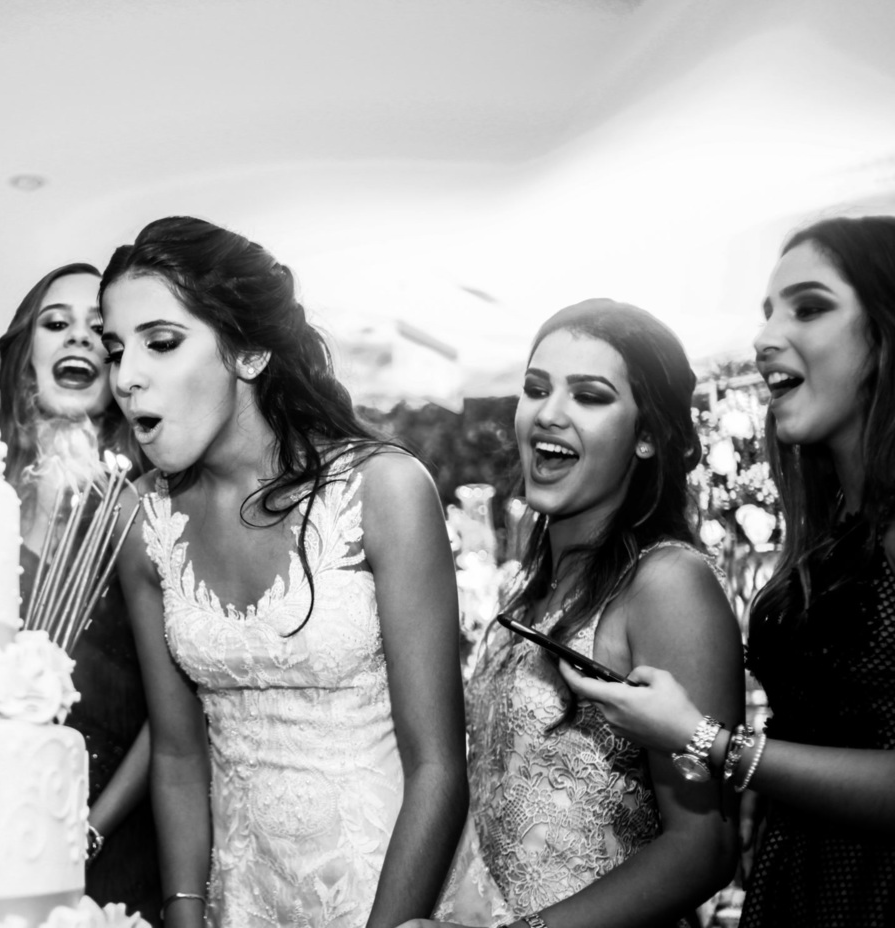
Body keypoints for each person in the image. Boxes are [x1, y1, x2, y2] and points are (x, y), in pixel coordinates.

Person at [98, 217, 481, 928]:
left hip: (393, 892)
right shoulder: (143, 524)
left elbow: (439, 766)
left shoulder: (385, 490)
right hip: (243, 898)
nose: (125, 377)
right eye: (116, 350)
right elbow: (178, 756)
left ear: (248, 352)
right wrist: (188, 914)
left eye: (162, 342)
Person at [562, 217, 895, 927]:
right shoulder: (839, 528)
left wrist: (704, 739)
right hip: (805, 882)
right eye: (768, 312)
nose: (766, 337)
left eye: (809, 308)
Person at [417, 299, 744, 928]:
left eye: (589, 396)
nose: (549, 412)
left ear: (647, 436)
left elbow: (704, 847)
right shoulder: (532, 588)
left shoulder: (667, 583)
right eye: (536, 388)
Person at [0, 262, 162, 925]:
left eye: (100, 332)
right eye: (56, 323)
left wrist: (89, 830)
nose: (79, 339)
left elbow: (174, 716)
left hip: (109, 842)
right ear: (24, 357)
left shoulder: (143, 510)